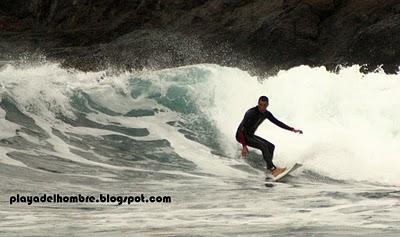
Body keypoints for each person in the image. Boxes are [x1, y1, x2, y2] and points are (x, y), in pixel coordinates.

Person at [235, 96, 303, 177]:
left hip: (250, 135)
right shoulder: (251, 113)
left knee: (271, 146)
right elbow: (240, 130)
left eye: (264, 105)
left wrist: (292, 129)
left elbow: (277, 122)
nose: (262, 107)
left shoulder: (266, 114)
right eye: (260, 105)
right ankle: (273, 169)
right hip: (241, 136)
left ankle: (269, 167)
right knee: (263, 146)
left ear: (267, 105)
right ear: (258, 104)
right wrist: (244, 145)